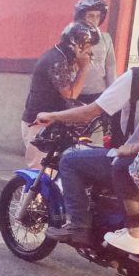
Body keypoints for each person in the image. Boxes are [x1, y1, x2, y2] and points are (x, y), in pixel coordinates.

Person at [36, 14, 139, 253]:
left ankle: (79, 226)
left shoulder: (137, 76)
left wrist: (53, 115)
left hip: (136, 160)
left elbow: (90, 112)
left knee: (69, 160)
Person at [21, 20, 99, 169]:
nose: (90, 51)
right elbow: (70, 94)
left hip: (52, 122)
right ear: (74, 42)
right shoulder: (56, 61)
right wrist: (84, 68)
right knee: (39, 172)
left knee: (56, 171)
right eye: (88, 45)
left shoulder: (62, 56)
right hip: (40, 123)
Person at [73, 0, 116, 104]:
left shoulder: (106, 38)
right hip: (77, 94)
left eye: (98, 16)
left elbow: (110, 67)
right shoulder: (72, 38)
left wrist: (112, 94)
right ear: (82, 17)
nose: (95, 20)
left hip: (99, 94)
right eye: (91, 16)